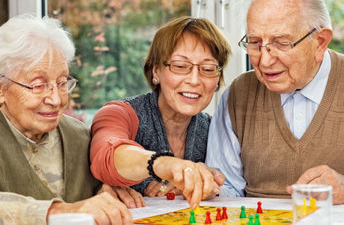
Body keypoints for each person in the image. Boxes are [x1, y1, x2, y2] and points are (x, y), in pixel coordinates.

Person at [206, 0, 344, 205]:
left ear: (320, 42)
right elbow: (224, 189)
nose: (265, 60)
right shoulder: (238, 94)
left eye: (281, 43)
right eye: (255, 42)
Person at [0, 14, 132, 225]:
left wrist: (106, 192)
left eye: (62, 83)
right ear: (1, 89)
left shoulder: (80, 137)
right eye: (37, 85)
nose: (55, 99)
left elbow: (97, 193)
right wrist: (60, 211)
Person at [90, 16, 230, 209]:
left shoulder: (215, 128)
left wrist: (211, 185)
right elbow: (105, 156)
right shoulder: (119, 114)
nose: (195, 80)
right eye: (180, 66)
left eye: (208, 69)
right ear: (156, 71)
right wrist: (167, 166)